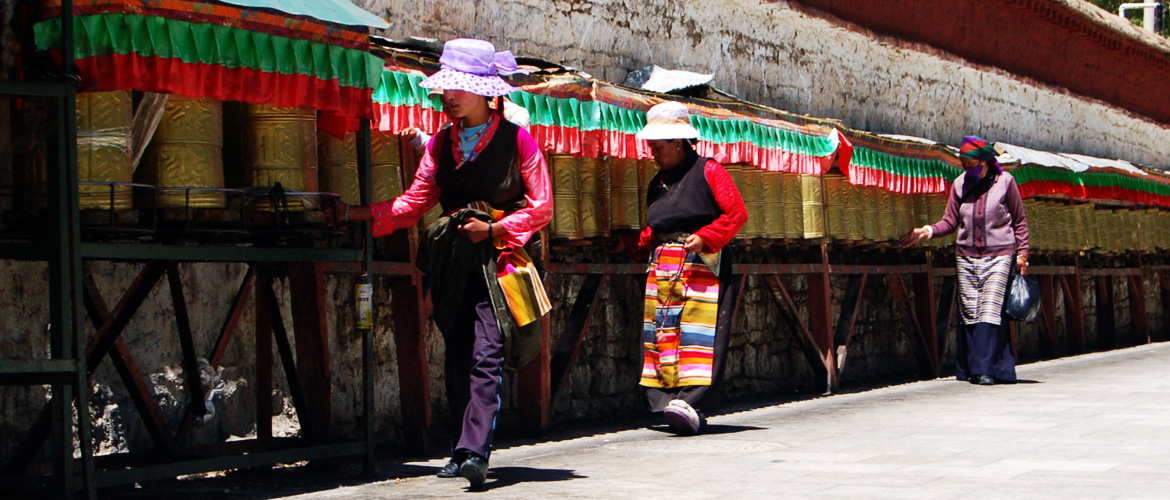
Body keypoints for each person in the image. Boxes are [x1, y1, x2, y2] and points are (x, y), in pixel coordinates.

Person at [342, 38, 552, 490]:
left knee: (487, 352)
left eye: (460, 87)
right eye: (447, 89)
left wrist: (494, 230)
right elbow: (413, 203)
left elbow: (543, 207)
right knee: (458, 351)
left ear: (485, 90)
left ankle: (477, 450)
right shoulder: (440, 145)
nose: (449, 96)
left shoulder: (519, 141)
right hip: (456, 262)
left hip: (504, 262)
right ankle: (460, 448)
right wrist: (358, 214)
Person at [627, 101, 747, 434]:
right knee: (664, 334)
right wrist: (631, 245)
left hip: (701, 267)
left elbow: (736, 215)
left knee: (698, 335)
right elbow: (654, 228)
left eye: (658, 146)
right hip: (663, 269)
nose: (652, 152)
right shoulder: (658, 183)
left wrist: (706, 237)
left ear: (678, 143)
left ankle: (691, 400)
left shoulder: (709, 171)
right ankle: (668, 401)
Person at [900, 136, 1029, 386]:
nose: (968, 170)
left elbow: (1020, 221)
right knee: (971, 310)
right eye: (964, 166)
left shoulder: (1005, 183)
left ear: (986, 162)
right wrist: (926, 231)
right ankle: (976, 367)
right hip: (967, 256)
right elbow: (949, 221)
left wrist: (1022, 254)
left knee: (990, 308)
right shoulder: (960, 184)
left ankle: (985, 370)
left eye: (972, 165)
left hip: (1000, 254)